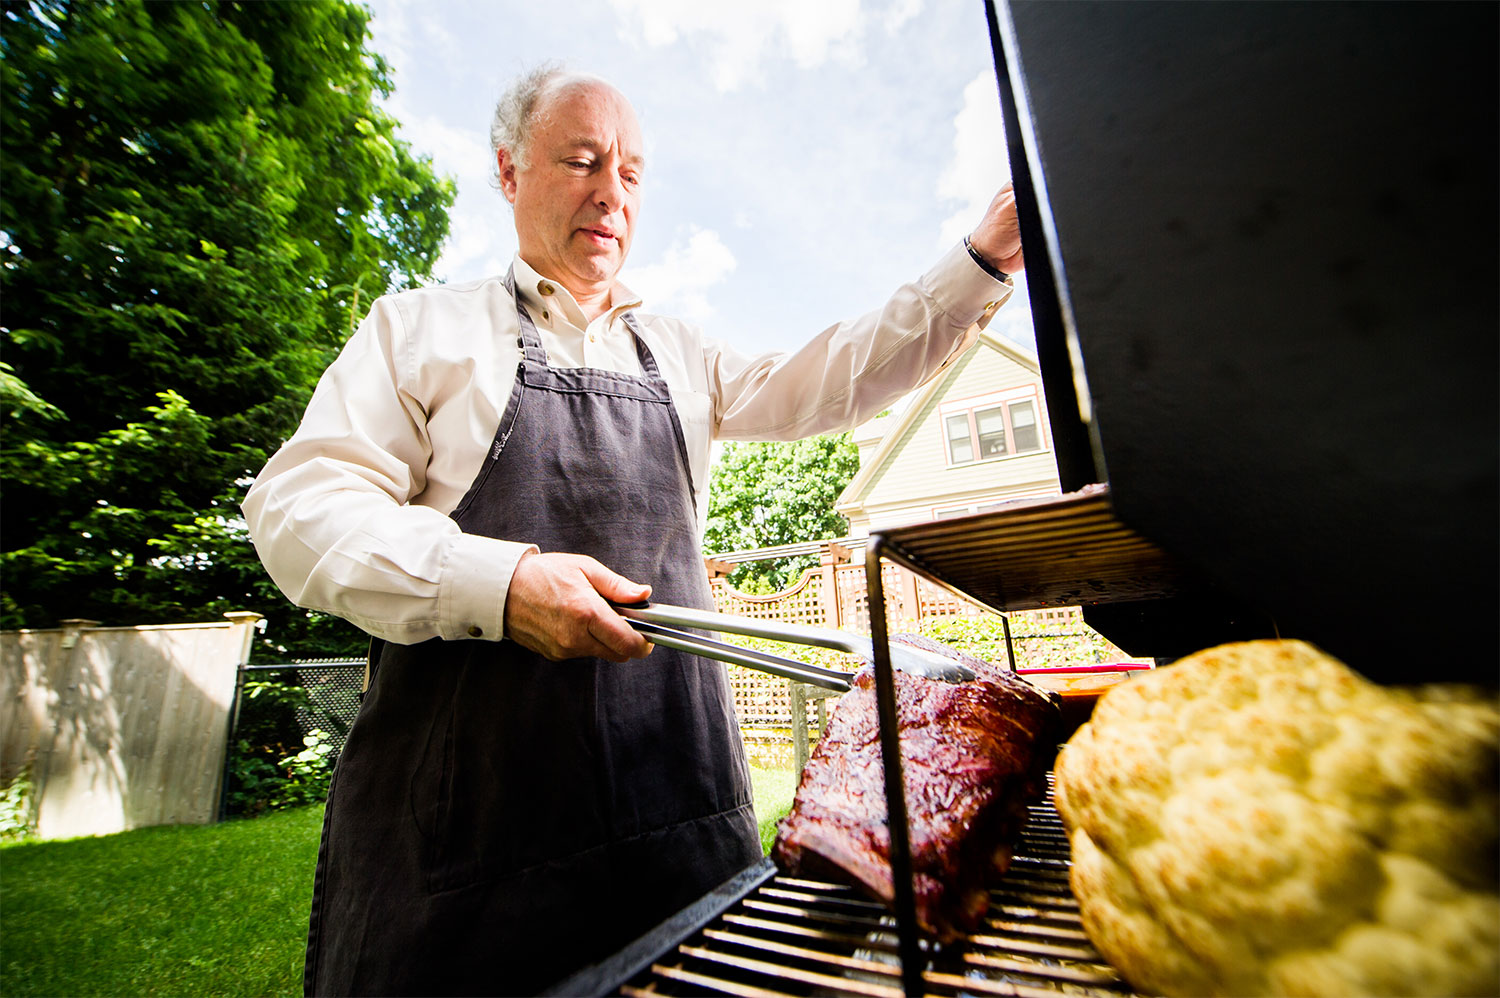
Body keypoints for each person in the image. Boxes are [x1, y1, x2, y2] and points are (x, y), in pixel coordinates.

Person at [242, 65, 1024, 997]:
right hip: (470, 861)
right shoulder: (419, 332)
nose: (612, 190)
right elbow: (301, 509)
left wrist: (979, 259)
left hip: (680, 830)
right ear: (508, 171)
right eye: (581, 159)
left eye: (633, 171)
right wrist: (502, 585)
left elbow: (839, 375)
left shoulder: (683, 353)